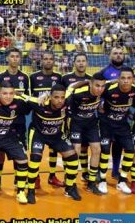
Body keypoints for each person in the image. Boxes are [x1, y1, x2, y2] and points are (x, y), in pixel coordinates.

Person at [24, 84, 82, 202]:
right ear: (50, 97)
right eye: (56, 97)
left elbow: (72, 86)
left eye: (62, 97)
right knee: (35, 158)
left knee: (73, 157)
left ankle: (70, 188)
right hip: (38, 135)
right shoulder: (39, 103)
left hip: (56, 135)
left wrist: (88, 80)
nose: (60, 100)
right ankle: (30, 190)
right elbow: (20, 95)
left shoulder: (67, 99)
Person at [0, 48, 30, 192]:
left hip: (18, 120)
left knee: (18, 150)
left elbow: (28, 98)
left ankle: (17, 179)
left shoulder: (25, 77)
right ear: (7, 58)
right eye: (12, 56)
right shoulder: (0, 76)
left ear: (20, 59)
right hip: (3, 120)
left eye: (17, 57)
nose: (14, 59)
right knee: (0, 152)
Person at [97, 67, 135, 194]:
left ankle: (122, 181)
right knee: (104, 150)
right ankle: (102, 180)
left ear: (133, 80)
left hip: (122, 125)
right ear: (118, 79)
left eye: (129, 78)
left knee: (130, 149)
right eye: (123, 78)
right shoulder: (109, 89)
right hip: (106, 124)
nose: (126, 81)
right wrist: (99, 105)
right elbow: (95, 93)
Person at [29, 52, 64, 189]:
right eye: (45, 59)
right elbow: (29, 97)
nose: (48, 61)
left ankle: (52, 176)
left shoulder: (59, 77)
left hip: (54, 120)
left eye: (51, 59)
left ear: (54, 61)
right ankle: (35, 176)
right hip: (38, 120)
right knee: (36, 151)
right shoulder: (33, 77)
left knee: (54, 149)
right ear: (41, 61)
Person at [67, 72, 106, 195]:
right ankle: (71, 183)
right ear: (90, 84)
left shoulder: (104, 90)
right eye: (97, 85)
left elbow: (116, 81)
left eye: (102, 86)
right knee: (76, 151)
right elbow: (68, 92)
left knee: (97, 149)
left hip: (91, 123)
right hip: (76, 123)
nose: (100, 89)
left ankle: (91, 182)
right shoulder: (78, 94)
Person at [61, 53, 92, 181]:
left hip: (87, 119)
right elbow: (61, 96)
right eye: (78, 61)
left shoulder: (92, 79)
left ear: (87, 63)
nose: (81, 63)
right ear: (74, 63)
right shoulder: (65, 78)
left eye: (83, 61)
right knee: (73, 149)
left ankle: (85, 173)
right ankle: (68, 175)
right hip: (71, 119)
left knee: (85, 147)